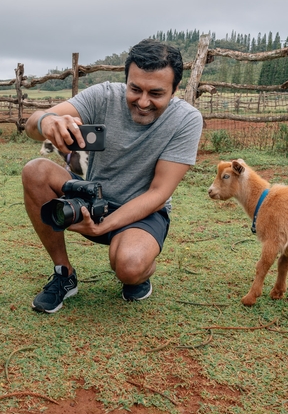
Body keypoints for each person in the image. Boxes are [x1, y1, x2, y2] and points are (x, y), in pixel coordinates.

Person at [22, 38, 203, 313]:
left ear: (175, 89)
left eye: (156, 93)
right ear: (126, 80)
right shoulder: (103, 96)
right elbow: (31, 124)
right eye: (135, 89)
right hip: (91, 197)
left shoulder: (187, 120)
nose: (143, 102)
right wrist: (47, 121)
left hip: (143, 212)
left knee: (130, 267)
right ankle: (64, 274)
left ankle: (140, 270)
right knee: (35, 170)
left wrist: (104, 227)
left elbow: (159, 193)